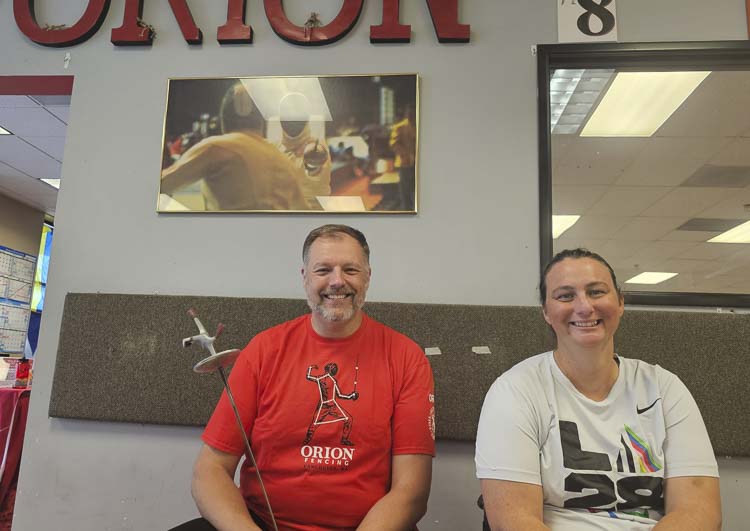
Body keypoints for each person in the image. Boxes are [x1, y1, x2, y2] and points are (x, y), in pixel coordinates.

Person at [192, 224, 435, 531]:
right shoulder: (264, 350)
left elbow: (412, 492)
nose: (337, 281)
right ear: (305, 277)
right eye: (323, 270)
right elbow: (209, 470)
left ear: (368, 277)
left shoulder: (406, 357)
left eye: (350, 269)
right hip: (261, 524)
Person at [475, 248, 721, 531]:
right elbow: (514, 521)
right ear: (546, 311)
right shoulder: (515, 391)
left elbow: (699, 512)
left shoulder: (664, 389)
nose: (584, 307)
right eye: (565, 295)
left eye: (596, 292)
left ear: (620, 303)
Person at [160, 82, 307, 211]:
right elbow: (303, 212)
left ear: (224, 117)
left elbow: (162, 184)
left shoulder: (216, 147)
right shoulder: (283, 160)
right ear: (261, 120)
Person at [388, 105, 416, 211]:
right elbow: (394, 143)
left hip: (416, 163)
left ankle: (413, 208)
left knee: (414, 188)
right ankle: (406, 209)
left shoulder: (417, 126)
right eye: (409, 112)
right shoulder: (399, 126)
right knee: (405, 188)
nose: (411, 114)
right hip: (405, 162)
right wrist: (405, 154)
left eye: (413, 112)